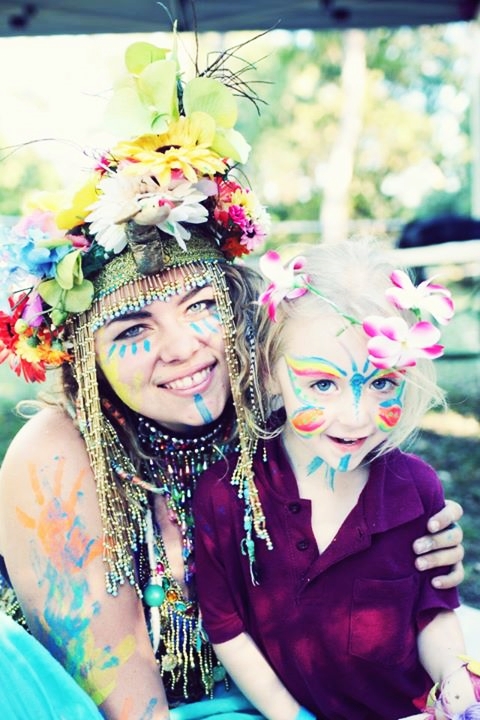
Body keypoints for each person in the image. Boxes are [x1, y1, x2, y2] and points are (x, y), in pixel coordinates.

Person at [0, 34, 464, 720]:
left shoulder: (268, 407)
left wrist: (415, 544)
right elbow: (130, 705)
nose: (183, 349)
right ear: (83, 356)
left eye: (202, 306)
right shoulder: (56, 457)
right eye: (132, 330)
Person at [194, 239, 479, 720]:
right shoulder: (227, 494)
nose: (356, 417)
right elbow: (227, 629)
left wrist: (455, 683)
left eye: (382, 383)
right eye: (322, 384)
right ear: (269, 373)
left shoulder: (415, 489)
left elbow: (433, 613)